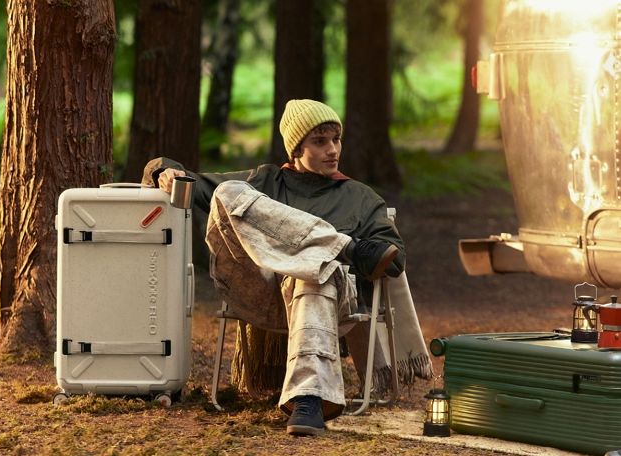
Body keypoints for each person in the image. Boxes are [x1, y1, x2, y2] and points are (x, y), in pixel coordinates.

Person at [142, 99, 431, 436]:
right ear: (296, 148)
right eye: (319, 141)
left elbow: (394, 260)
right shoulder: (267, 181)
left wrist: (319, 258)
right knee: (229, 191)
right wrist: (163, 171)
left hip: (326, 303)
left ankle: (308, 400)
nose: (332, 149)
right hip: (259, 291)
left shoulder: (360, 197)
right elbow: (201, 187)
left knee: (315, 272)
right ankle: (343, 245)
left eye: (336, 140)